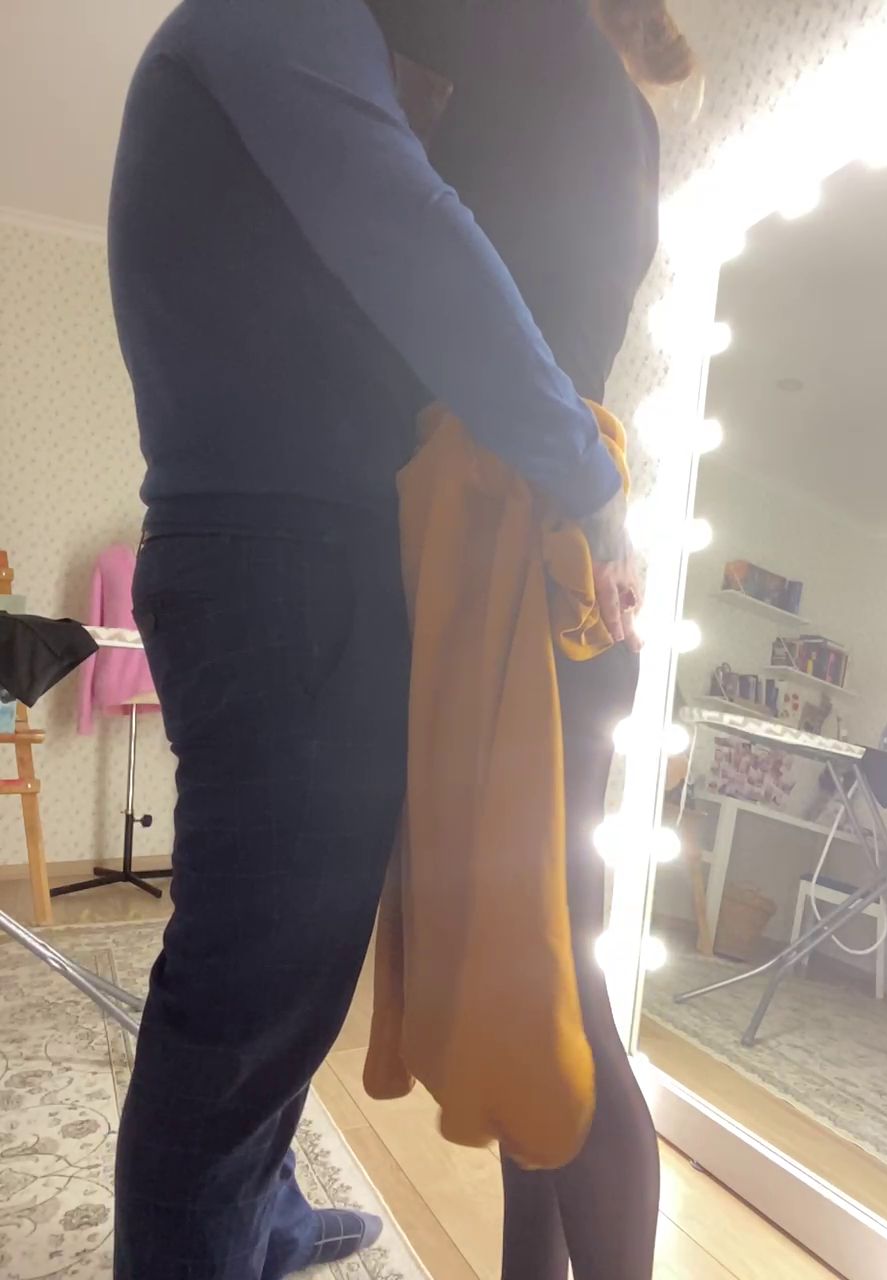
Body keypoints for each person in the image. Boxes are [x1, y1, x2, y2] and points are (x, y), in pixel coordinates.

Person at [107, 1, 642, 1277]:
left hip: (285, 554)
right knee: (241, 1011)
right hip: (284, 559)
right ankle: (230, 1223)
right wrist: (591, 477)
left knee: (285, 978)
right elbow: (412, 233)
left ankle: (267, 1211)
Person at [376, 1, 698, 1276]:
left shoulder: (545, 53)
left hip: (525, 538)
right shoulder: (592, 99)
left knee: (551, 989)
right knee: (537, 980)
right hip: (535, 541)